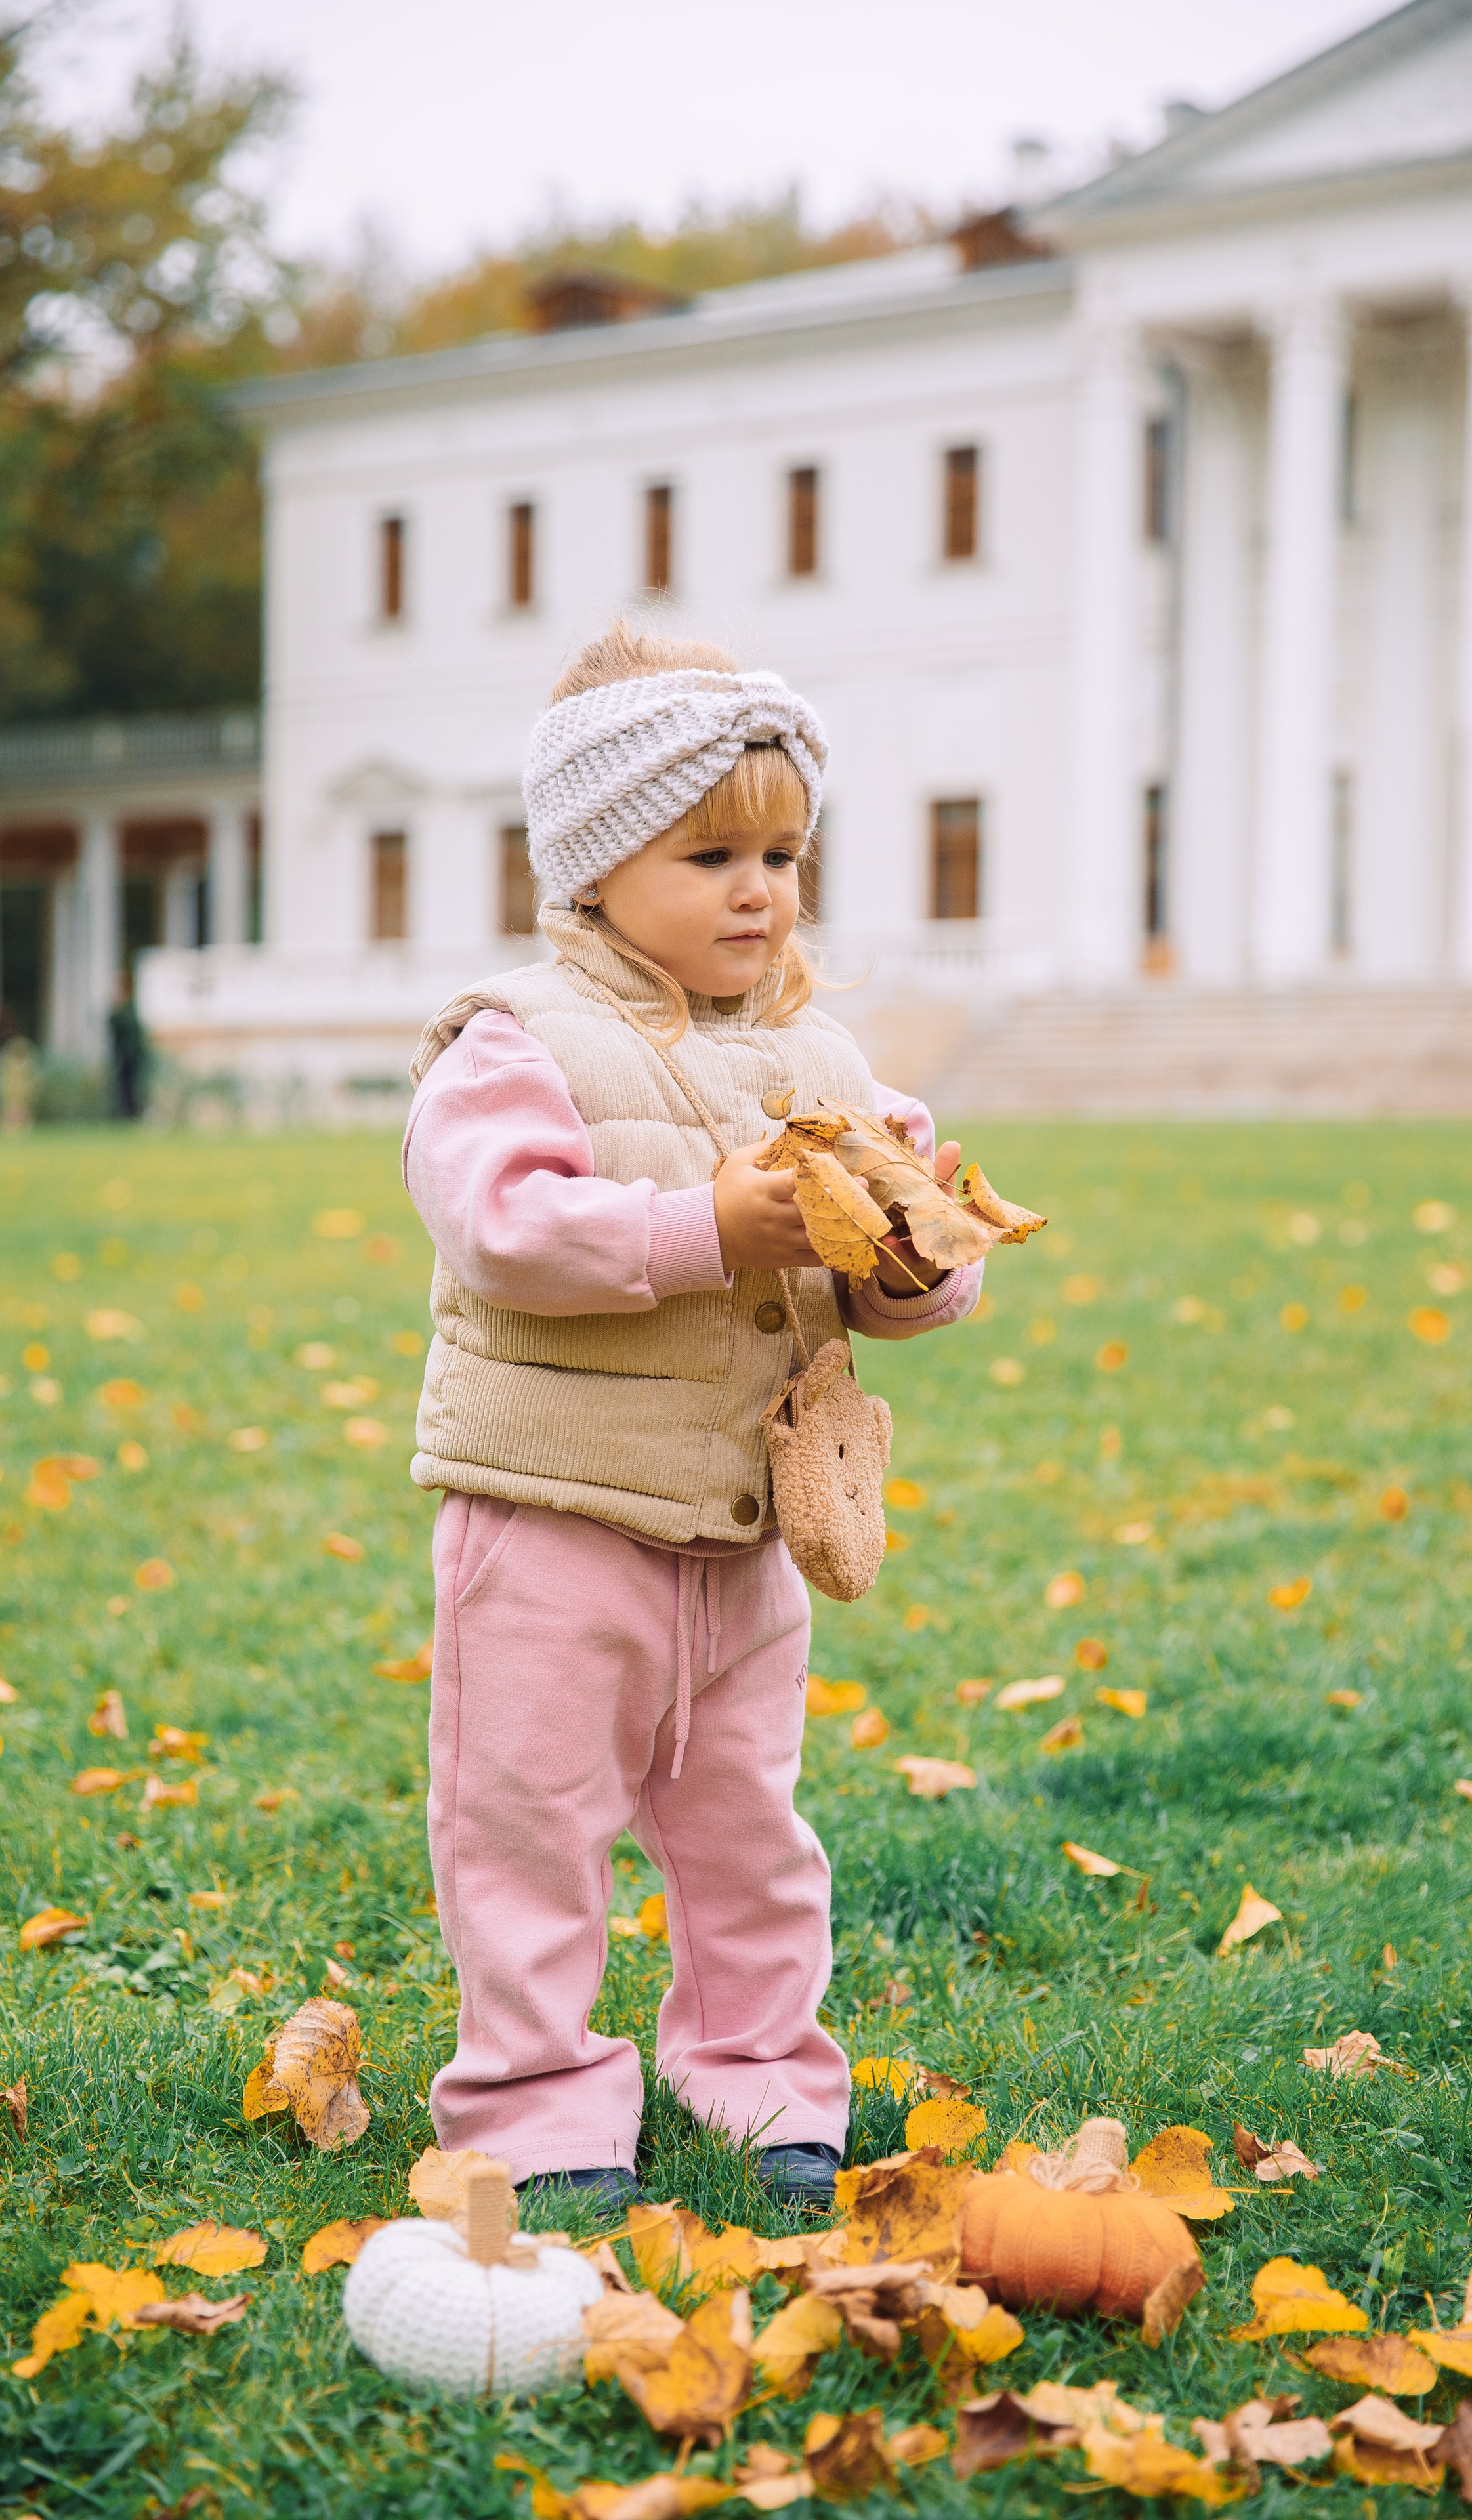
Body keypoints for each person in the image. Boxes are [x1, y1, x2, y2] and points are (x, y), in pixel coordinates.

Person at [402, 623, 987, 2217]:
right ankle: (535, 2099)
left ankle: (758, 2076)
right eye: (711, 855)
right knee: (528, 1827)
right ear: (595, 866)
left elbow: (874, 1284)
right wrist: (706, 1224)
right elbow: (504, 1230)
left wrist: (916, 1252)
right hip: (552, 1524)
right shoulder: (510, 1039)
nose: (759, 893)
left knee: (747, 1831)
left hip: (744, 1536)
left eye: (782, 856)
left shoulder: (821, 1057)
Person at [109, 969, 148, 1120]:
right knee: (123, 1085)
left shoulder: (129, 1007)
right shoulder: (122, 1007)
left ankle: (133, 1112)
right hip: (124, 1055)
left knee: (132, 1085)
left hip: (132, 1054)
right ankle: (125, 1112)